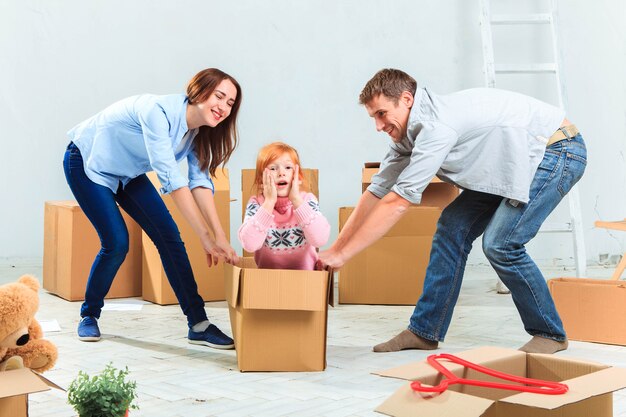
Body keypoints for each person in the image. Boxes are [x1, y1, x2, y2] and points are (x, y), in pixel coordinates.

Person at [319, 68, 587, 354]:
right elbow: (376, 192)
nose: (378, 125)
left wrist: (344, 257)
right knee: (452, 227)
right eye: (373, 117)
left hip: (557, 151)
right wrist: (335, 248)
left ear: (406, 99)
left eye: (382, 114)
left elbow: (398, 202)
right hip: (514, 161)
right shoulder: (408, 134)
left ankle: (549, 332)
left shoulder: (436, 127)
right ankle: (424, 331)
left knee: (501, 244)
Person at [63, 68, 241, 349]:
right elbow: (172, 178)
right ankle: (89, 314)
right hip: (88, 163)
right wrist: (204, 236)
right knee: (117, 242)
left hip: (127, 173)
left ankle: (198, 324)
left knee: (169, 237)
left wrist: (219, 236)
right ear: (198, 90)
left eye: (230, 103)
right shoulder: (156, 112)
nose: (223, 107)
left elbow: (200, 183)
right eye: (219, 96)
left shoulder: (198, 133)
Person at [238, 142, 330, 270]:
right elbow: (249, 244)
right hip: (268, 280)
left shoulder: (307, 200)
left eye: (288, 167)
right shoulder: (257, 204)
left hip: (306, 279)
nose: (281, 173)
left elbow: (320, 239)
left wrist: (296, 200)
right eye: (273, 168)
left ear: (299, 177)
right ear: (261, 180)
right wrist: (269, 202)